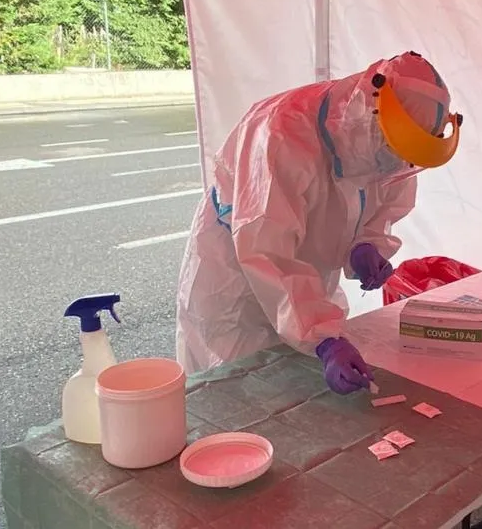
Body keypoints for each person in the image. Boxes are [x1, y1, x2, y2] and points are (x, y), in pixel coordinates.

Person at [176, 51, 462, 395]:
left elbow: (383, 202)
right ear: (370, 112)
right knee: (232, 392)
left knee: (297, 389)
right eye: (395, 151)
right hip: (234, 285)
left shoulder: (389, 147)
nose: (398, 164)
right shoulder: (280, 133)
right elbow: (266, 249)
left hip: (303, 281)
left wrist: (365, 245)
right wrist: (322, 338)